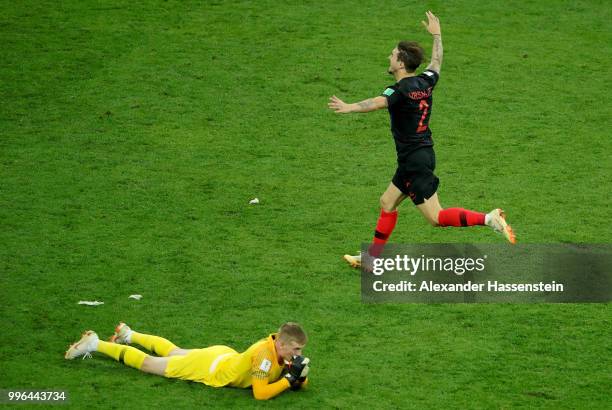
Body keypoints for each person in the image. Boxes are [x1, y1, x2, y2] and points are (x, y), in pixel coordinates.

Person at [328, 11, 515, 268]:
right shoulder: (424, 81)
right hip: (417, 156)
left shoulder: (398, 90)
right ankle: (372, 258)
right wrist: (437, 35)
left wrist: (349, 107)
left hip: (415, 161)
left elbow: (377, 103)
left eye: (393, 55)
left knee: (436, 218)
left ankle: (489, 218)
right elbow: (436, 63)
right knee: (387, 201)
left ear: (401, 63)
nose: (389, 57)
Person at [65, 321, 310, 401]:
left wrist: (300, 378)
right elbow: (260, 393)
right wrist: (289, 380)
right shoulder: (265, 356)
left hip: (222, 355)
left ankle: (128, 334)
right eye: (296, 349)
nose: (298, 353)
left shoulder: (278, 348)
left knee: (175, 352)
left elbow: (294, 376)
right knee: (151, 364)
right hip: (210, 367)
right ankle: (95, 343)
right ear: (282, 343)